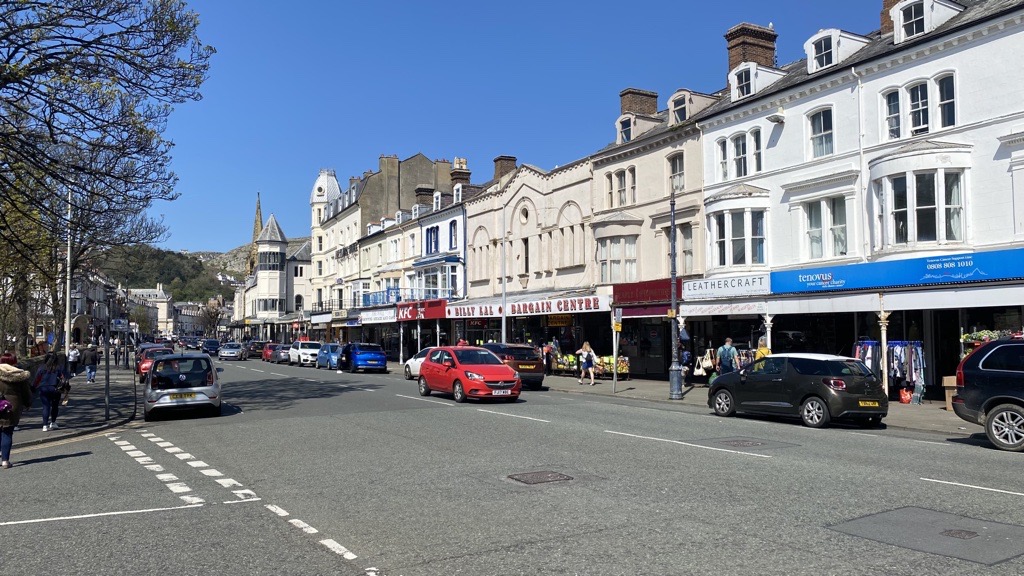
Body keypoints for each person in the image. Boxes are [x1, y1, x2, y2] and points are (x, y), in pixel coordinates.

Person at [0, 357, 33, 468]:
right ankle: (5, 461)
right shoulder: (20, 376)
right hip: (12, 407)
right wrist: (28, 404)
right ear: (14, 363)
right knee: (7, 432)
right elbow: (26, 393)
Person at [33, 353, 68, 432]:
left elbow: (37, 379)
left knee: (46, 407)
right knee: (55, 406)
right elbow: (64, 378)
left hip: (44, 388)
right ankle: (53, 422)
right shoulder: (59, 367)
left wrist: (33, 387)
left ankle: (45, 425)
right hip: (55, 389)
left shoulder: (42, 367)